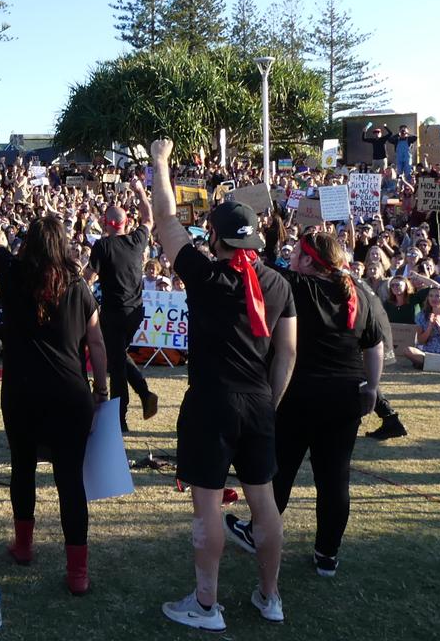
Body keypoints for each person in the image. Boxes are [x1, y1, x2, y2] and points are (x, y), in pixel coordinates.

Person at [147, 139, 297, 631]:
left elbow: (166, 221)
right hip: (257, 402)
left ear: (215, 238)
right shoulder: (278, 283)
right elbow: (288, 351)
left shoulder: (205, 274)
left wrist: (161, 162)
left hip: (212, 401)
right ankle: (270, 596)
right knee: (264, 504)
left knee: (208, 503)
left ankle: (207, 605)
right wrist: (269, 402)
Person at [0, 185, 109, 595]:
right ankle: (77, 570)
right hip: (70, 395)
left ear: (29, 244)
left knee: (22, 468)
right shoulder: (80, 287)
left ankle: (24, 545)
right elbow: (96, 343)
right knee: (70, 481)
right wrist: (101, 389)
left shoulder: (13, 275)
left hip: (23, 394)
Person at [224, 231, 385, 579]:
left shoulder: (295, 283)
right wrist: (372, 388)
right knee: (334, 478)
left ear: (310, 261)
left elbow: (256, 265)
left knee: (278, 471)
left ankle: (257, 533)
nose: (292, 256)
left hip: (298, 395)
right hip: (344, 397)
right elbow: (374, 346)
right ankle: (327, 554)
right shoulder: (360, 291)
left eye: (297, 252)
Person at [88, 181, 158, 431]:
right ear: (126, 222)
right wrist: (140, 191)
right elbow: (148, 217)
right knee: (118, 355)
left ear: (106, 224)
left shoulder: (102, 246)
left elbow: (89, 278)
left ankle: (120, 419)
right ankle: (145, 394)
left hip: (114, 314)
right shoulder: (137, 240)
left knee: (116, 365)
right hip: (135, 312)